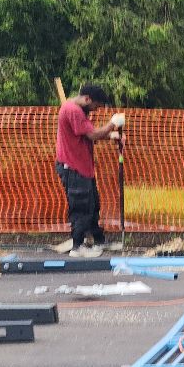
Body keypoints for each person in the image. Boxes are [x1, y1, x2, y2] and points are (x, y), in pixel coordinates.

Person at [51, 84, 122, 258]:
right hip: (73, 167)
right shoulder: (73, 110)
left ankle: (98, 241)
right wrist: (112, 124)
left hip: (83, 167)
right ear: (87, 99)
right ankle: (77, 247)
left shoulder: (79, 111)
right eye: (96, 105)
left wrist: (111, 135)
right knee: (81, 207)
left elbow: (88, 133)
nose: (96, 109)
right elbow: (93, 135)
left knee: (92, 205)